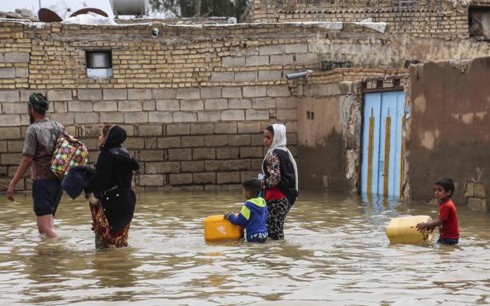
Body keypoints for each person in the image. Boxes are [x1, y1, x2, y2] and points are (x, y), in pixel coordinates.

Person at [7, 93, 64, 238]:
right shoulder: (58, 126)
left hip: (42, 181)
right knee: (48, 224)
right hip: (58, 181)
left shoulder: (33, 130)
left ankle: (58, 249)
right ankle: (48, 256)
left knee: (44, 227)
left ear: (31, 109)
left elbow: (27, 159)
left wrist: (13, 183)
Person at [85, 124, 139, 249]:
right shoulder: (125, 154)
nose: (99, 138)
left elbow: (101, 182)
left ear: (107, 138)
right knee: (120, 244)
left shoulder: (107, 156)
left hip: (110, 205)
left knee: (104, 247)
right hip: (127, 204)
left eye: (101, 135)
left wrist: (92, 193)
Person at [261, 123, 298, 240]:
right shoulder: (285, 152)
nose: (265, 141)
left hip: (278, 197)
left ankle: (277, 255)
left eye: (268, 138)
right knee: (276, 230)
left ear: (276, 138)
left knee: (274, 233)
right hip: (288, 195)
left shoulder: (273, 154)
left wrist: (261, 183)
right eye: (265, 137)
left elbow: (275, 179)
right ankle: (280, 254)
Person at [416, 177, 460, 245]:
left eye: (439, 190)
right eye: (435, 190)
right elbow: (442, 219)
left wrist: (426, 225)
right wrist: (432, 226)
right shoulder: (444, 203)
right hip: (449, 237)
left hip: (449, 238)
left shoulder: (447, 205)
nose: (436, 192)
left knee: (441, 252)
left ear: (448, 192)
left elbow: (440, 221)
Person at [225, 178, 268, 243]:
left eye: (243, 191)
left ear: (248, 193)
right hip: (264, 235)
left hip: (252, 237)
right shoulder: (263, 202)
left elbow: (239, 221)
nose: (243, 193)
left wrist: (229, 216)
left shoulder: (248, 205)